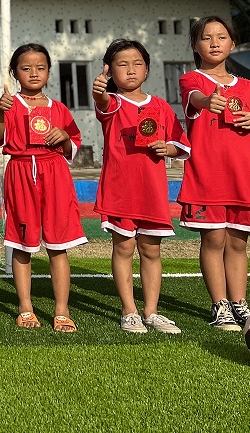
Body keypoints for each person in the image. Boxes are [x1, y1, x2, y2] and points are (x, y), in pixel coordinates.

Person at [177, 16, 250, 330]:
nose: (214, 43)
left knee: (238, 243)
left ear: (232, 43)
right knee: (214, 239)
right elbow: (195, 98)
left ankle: (239, 303)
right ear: (195, 46)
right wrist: (208, 101)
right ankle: (220, 306)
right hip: (207, 174)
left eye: (221, 37)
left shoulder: (248, 87)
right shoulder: (191, 79)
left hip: (242, 176)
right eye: (206, 37)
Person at [91, 39, 189, 335]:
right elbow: (103, 104)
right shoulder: (113, 103)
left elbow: (180, 144)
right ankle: (129, 311)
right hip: (120, 190)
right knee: (123, 248)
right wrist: (99, 92)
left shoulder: (160, 106)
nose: (131, 70)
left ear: (147, 69)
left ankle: (151, 312)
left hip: (152, 192)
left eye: (137, 64)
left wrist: (167, 149)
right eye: (122, 64)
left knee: (151, 250)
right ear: (110, 71)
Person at [0, 43, 86, 333]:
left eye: (40, 68)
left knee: (58, 245)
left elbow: (73, 143)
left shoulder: (59, 108)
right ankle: (25, 307)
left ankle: (62, 310)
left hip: (54, 172)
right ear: (15, 72)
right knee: (22, 244)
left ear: (49, 72)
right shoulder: (9, 105)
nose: (34, 73)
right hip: (20, 172)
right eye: (26, 68)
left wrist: (64, 137)